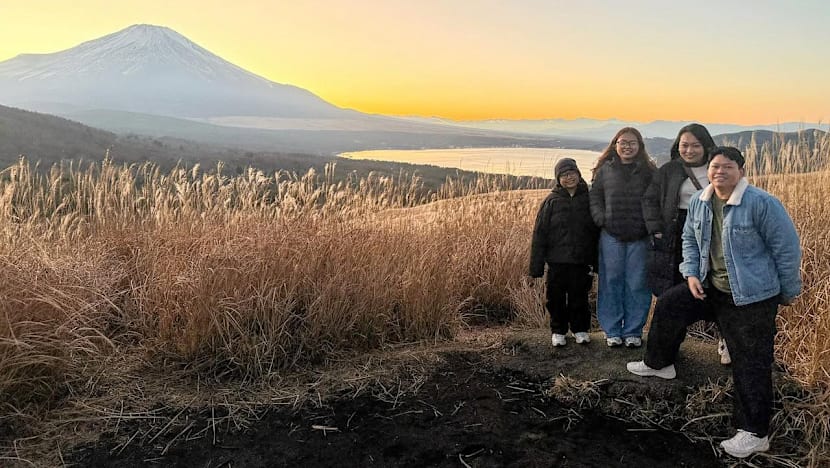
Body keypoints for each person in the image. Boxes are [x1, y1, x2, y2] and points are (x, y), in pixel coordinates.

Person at [627, 147, 802, 459]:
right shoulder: (700, 201)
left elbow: (786, 251)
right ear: (708, 170)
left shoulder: (762, 204)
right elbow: (690, 241)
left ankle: (755, 432)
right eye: (715, 166)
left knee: (750, 360)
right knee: (669, 305)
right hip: (710, 286)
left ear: (741, 170)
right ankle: (659, 363)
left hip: (751, 296)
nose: (720, 171)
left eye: (728, 166)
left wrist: (786, 293)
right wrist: (691, 274)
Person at [642, 123, 732, 365]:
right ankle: (671, 348)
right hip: (675, 235)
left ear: (705, 145)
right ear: (677, 146)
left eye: (695, 145)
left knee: (717, 288)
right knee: (674, 292)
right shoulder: (669, 170)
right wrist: (656, 230)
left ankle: (726, 341)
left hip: (712, 234)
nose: (689, 150)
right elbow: (650, 200)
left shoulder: (717, 167)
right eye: (684, 145)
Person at [589, 127, 656, 347]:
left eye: (632, 142)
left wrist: (649, 226)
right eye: (623, 142)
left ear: (640, 146)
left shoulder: (649, 171)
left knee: (637, 283)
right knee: (611, 281)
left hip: (640, 237)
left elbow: (656, 200)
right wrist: (601, 219)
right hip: (611, 235)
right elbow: (595, 197)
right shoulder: (605, 170)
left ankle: (633, 331)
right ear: (615, 145)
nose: (627, 146)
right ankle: (612, 330)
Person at [529, 158, 599, 346]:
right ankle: (558, 330)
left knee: (580, 296)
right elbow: (540, 234)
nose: (569, 177)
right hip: (557, 261)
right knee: (555, 297)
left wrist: (597, 261)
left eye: (572, 173)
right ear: (558, 178)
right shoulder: (551, 201)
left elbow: (596, 232)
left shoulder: (589, 199)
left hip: (581, 261)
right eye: (564, 175)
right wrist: (536, 266)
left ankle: (581, 329)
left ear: (578, 174)